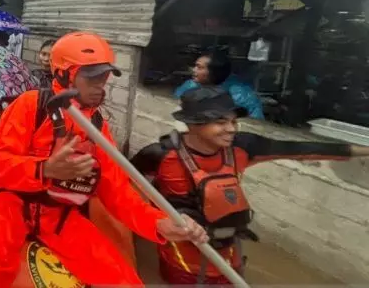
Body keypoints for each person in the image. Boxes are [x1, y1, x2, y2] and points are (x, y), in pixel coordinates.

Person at [0, 31, 209, 287]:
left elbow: (116, 191)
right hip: (7, 201)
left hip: (55, 210)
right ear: (64, 73)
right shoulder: (30, 105)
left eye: (104, 75)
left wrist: (159, 223)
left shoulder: (95, 125)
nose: (101, 83)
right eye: (91, 76)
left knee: (120, 278)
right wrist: (45, 168)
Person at [131, 86, 369, 285]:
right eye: (220, 122)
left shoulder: (243, 147)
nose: (231, 129)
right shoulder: (159, 155)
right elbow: (124, 191)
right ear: (193, 124)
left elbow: (304, 149)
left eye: (234, 121)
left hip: (229, 256)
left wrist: (363, 150)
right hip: (181, 261)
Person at [175, 51, 265, 120]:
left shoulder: (242, 95)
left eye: (199, 67)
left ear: (214, 72)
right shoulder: (189, 86)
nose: (194, 70)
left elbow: (256, 123)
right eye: (195, 66)